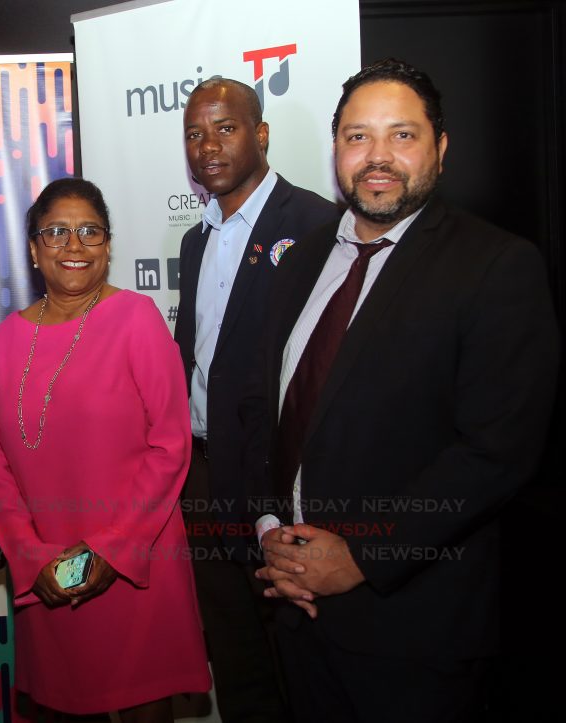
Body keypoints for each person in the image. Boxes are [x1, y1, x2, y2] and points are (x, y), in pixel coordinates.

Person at [248, 59, 560, 722]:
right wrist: (271, 530)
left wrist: (362, 553)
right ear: (335, 150)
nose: (378, 156)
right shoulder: (299, 261)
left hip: (413, 630)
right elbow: (272, 415)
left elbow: (495, 452)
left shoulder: (496, 266)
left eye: (403, 135)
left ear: (440, 150)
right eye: (359, 136)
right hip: (295, 616)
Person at [0, 178, 211, 722]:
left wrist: (110, 549)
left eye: (89, 231)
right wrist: (32, 560)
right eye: (56, 232)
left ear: (108, 245)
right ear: (34, 249)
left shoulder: (137, 319)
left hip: (133, 563)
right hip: (47, 573)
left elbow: (170, 445)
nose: (73, 245)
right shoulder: (4, 341)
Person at [174, 77, 336, 721]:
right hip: (204, 475)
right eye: (193, 133)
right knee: (234, 653)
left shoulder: (317, 224)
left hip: (276, 480)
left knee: (294, 655)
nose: (208, 145)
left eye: (225, 127)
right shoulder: (197, 239)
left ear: (261, 133)